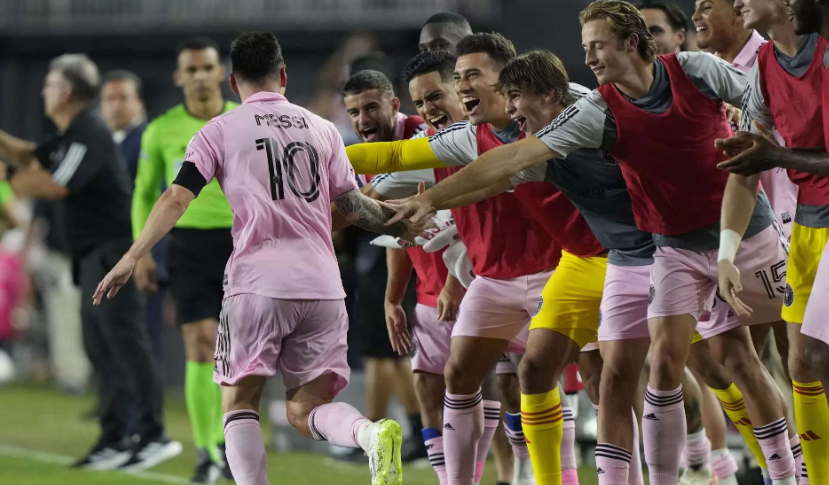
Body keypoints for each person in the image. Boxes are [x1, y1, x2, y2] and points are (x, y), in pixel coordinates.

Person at [381, 2, 798, 484]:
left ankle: (777, 469)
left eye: (597, 45)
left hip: (745, 232)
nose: (591, 56)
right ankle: (700, 469)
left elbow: (766, 98)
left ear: (631, 43)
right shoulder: (589, 115)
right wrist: (421, 196)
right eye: (585, 48)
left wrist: (764, 133)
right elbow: (498, 170)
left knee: (763, 361)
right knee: (639, 372)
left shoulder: (687, 73)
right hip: (653, 252)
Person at [94, 31, 418, 485]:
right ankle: (368, 434)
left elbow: (175, 196)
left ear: (232, 83)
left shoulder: (220, 130)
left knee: (239, 403)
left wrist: (133, 255)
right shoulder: (322, 128)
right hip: (323, 286)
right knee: (309, 409)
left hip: (256, 285)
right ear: (283, 75)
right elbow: (353, 208)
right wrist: (405, 222)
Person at [346, 32, 609, 485]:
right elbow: (395, 164)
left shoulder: (573, 108)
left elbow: (501, 170)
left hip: (581, 264)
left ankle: (692, 462)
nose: (433, 105)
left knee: (612, 377)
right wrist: (321, 155)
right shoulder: (462, 137)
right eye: (459, 77)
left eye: (468, 77)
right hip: (495, 278)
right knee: (466, 374)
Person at [0, 54, 180, 471]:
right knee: (101, 348)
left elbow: (53, 184)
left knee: (126, 344)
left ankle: (153, 434)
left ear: (65, 92)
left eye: (48, 84)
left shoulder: (88, 132)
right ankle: (115, 436)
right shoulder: (69, 134)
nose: (43, 91)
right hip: (90, 254)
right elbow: (31, 155)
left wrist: (7, 178)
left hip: (112, 251)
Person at [715, 0, 829, 481]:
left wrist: (776, 153)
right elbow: (748, 166)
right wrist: (725, 252)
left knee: (817, 355)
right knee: (801, 363)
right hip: (806, 225)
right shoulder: (764, 65)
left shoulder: (824, 57)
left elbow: (771, 154)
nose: (738, 1)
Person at [131, 37, 237, 483]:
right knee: (200, 343)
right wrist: (142, 253)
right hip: (188, 245)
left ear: (220, 73)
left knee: (237, 355)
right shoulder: (160, 130)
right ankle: (207, 450)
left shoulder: (243, 119)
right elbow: (144, 192)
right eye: (189, 70)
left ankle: (233, 446)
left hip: (241, 242)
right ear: (178, 77)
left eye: (206, 67)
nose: (198, 76)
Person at [339, 68, 429, 463]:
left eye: (371, 107)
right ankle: (408, 434)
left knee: (396, 355)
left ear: (394, 104)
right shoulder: (368, 150)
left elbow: (377, 206)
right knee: (386, 353)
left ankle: (415, 434)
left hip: (426, 260)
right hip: (392, 254)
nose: (363, 119)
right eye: (354, 112)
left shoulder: (419, 137)